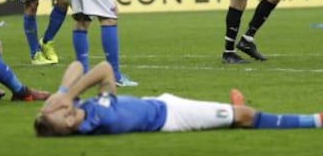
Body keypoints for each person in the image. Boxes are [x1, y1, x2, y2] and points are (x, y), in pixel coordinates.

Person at [34, 60, 323, 136]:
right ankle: (314, 120)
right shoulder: (101, 117)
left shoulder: (84, 112)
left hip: (158, 102)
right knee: (247, 116)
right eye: (59, 113)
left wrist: (61, 94)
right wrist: (69, 95)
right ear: (68, 121)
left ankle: (228, 112)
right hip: (173, 117)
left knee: (233, 115)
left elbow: (76, 66)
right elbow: (105, 69)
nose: (62, 110)